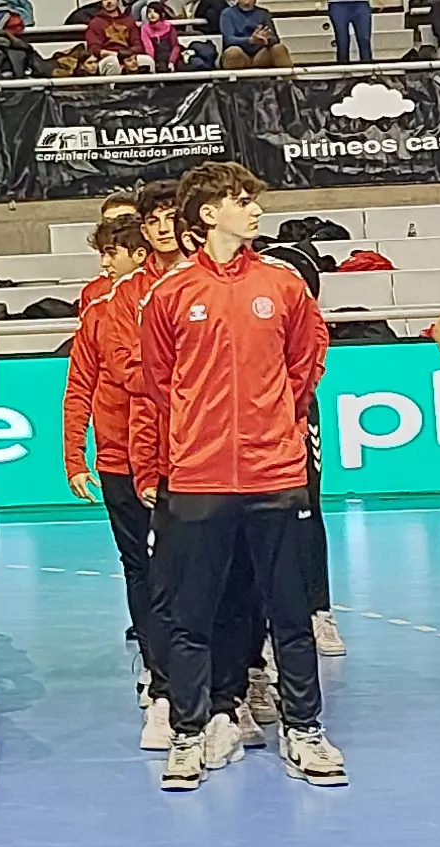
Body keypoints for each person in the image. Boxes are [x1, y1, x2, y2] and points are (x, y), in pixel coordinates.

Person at [140, 162, 345, 789]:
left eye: (252, 200)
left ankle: (305, 731)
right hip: (199, 480)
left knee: (290, 613)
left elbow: (308, 359)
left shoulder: (282, 285)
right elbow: (157, 381)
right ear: (206, 215)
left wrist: (273, 418)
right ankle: (187, 734)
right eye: (239, 200)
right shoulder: (171, 293)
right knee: (190, 616)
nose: (253, 210)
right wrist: (193, 439)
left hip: (273, 474)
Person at [65, 200, 166, 721]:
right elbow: (80, 382)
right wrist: (74, 458)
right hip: (118, 459)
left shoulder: (161, 300)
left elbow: (139, 377)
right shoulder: (99, 309)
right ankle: (158, 670)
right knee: (139, 566)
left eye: (112, 253)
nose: (104, 264)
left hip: (176, 458)